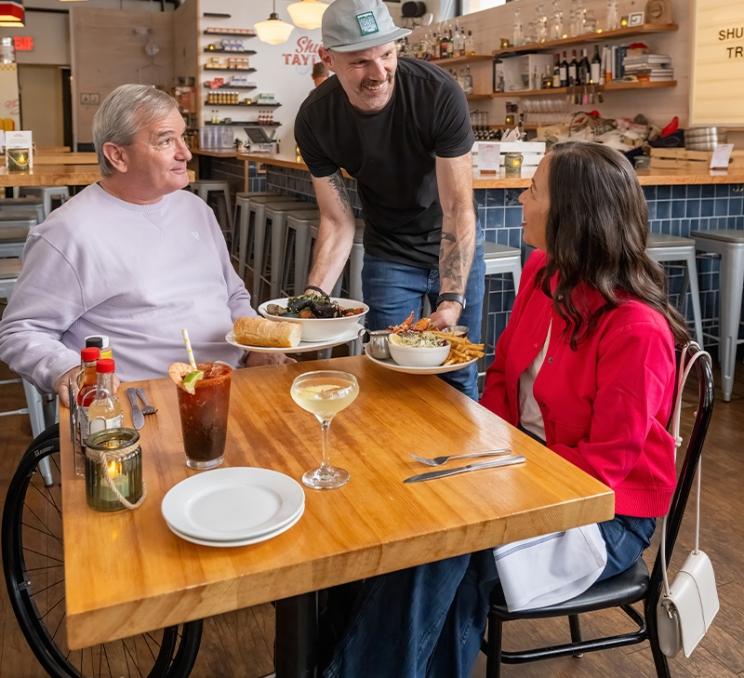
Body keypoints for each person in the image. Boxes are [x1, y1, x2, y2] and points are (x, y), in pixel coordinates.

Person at [318, 142, 687, 677]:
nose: (519, 197)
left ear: (571, 215)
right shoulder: (544, 273)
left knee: (439, 548)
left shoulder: (636, 329)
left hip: (605, 515)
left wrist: (493, 485)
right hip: (526, 473)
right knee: (394, 520)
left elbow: (604, 471)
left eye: (533, 190)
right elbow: (501, 386)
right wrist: (482, 454)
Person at [0, 84, 286, 406]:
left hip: (236, 383)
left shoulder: (195, 210)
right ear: (118, 155)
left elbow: (233, 295)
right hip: (146, 403)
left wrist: (254, 350)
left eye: (183, 136)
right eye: (166, 140)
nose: (186, 153)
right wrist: (65, 368)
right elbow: (21, 331)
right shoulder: (68, 233)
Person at [294, 0, 484, 399]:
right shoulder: (315, 119)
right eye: (360, 62)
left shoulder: (437, 94)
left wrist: (451, 299)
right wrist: (313, 296)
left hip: (453, 244)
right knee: (393, 374)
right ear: (327, 58)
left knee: (456, 371)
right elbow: (337, 220)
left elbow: (457, 208)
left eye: (386, 54)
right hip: (389, 253)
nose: (379, 73)